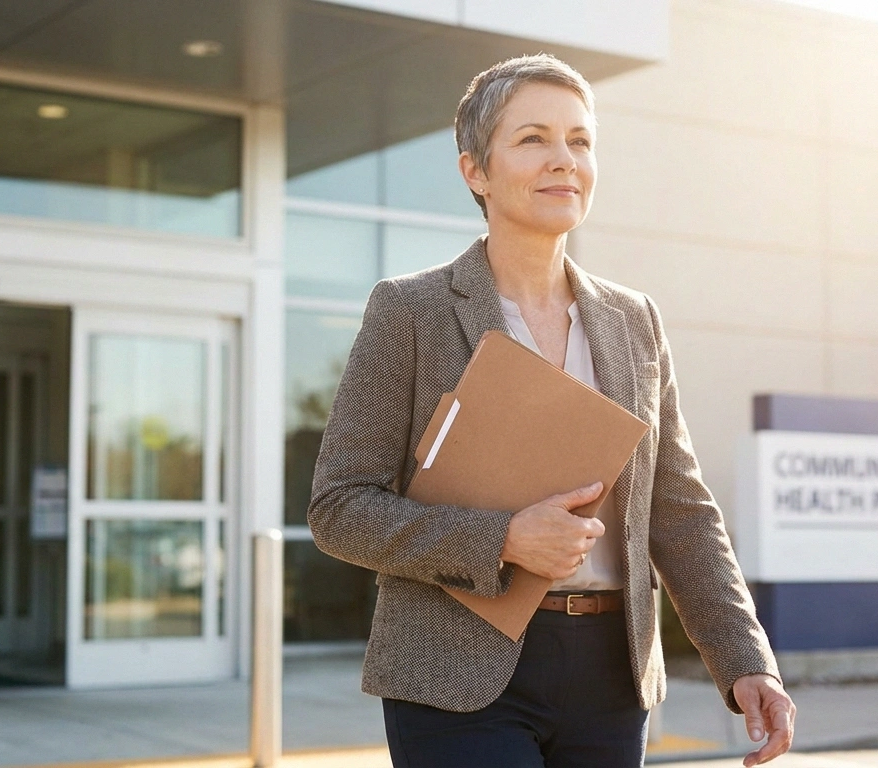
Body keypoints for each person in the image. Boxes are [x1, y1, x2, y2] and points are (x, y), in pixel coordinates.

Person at [307, 54, 796, 768]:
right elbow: (339, 508)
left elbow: (680, 509)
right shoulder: (409, 311)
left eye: (580, 140)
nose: (563, 160)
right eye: (533, 138)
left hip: (610, 678)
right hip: (453, 676)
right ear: (476, 171)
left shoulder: (635, 321)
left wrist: (746, 658)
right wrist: (503, 538)